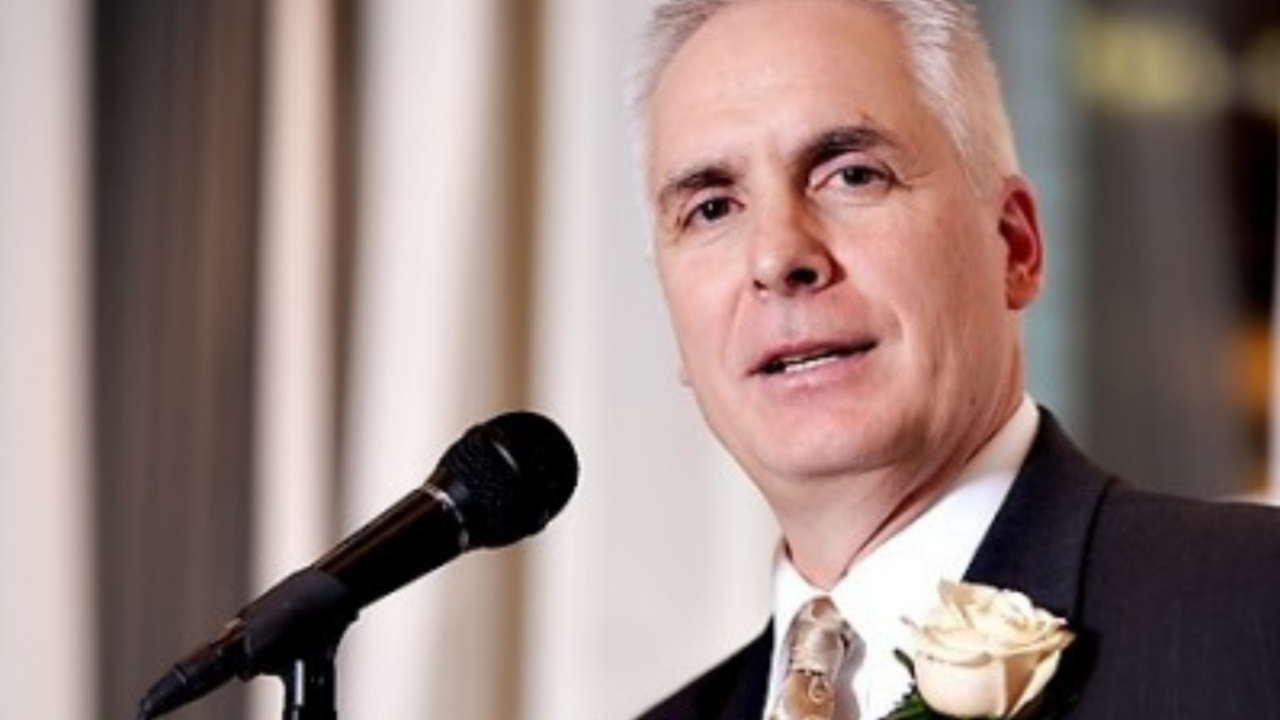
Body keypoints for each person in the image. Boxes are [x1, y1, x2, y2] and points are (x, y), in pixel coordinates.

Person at [628, 0, 1280, 718]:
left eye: (852, 174)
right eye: (712, 208)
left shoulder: (1254, 609)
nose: (778, 256)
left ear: (1016, 246)